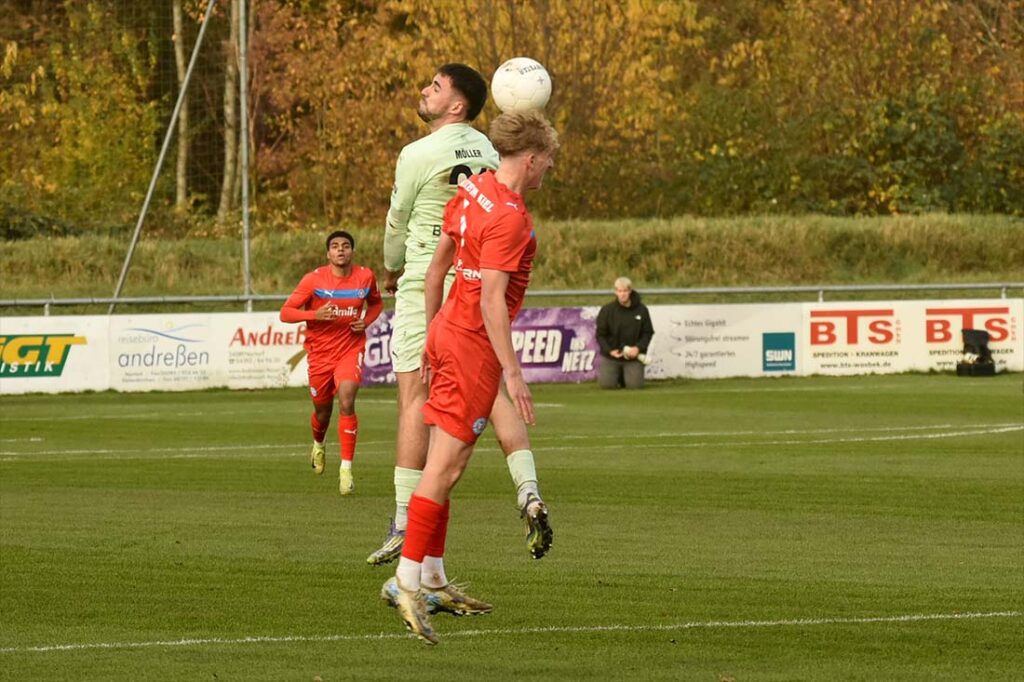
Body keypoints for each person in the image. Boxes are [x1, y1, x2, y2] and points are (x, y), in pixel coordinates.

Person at [381, 110, 559, 645]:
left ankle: (432, 579)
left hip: (446, 330)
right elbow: (491, 300)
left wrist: (434, 333)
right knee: (445, 468)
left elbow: (438, 268)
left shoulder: (473, 188)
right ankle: (407, 582)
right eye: (549, 159)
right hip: (473, 348)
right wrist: (513, 372)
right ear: (531, 159)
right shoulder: (510, 216)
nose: (550, 168)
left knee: (443, 463)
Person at [280, 230, 382, 495]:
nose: (340, 250)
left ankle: (346, 469)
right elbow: (286, 313)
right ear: (328, 254)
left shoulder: (365, 276)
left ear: (352, 251)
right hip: (320, 355)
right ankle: (319, 443)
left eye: (345, 246)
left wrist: (365, 321)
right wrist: (315, 315)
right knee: (322, 412)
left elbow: (376, 304)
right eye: (335, 246)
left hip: (350, 348)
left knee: (347, 399)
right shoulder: (313, 280)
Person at [596, 277, 654, 389]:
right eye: (619, 291)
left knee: (635, 386)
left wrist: (638, 348)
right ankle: (617, 376)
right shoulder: (607, 310)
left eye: (625, 291)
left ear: (630, 291)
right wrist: (610, 351)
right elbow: (600, 335)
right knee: (607, 385)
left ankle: (626, 376)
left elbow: (648, 332)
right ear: (616, 292)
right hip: (612, 356)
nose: (622, 294)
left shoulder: (642, 310)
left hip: (633, 357)